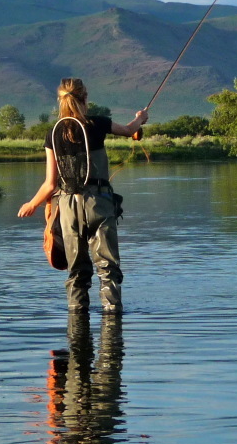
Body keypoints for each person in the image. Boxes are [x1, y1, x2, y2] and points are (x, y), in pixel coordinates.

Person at [18, 78, 148, 313]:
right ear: (85, 98)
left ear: (61, 101)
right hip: (98, 202)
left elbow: (50, 184)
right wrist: (141, 118)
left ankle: (77, 318)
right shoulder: (97, 123)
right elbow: (130, 131)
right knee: (107, 266)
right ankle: (112, 318)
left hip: (67, 207)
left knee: (76, 269)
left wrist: (32, 204)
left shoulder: (53, 133)